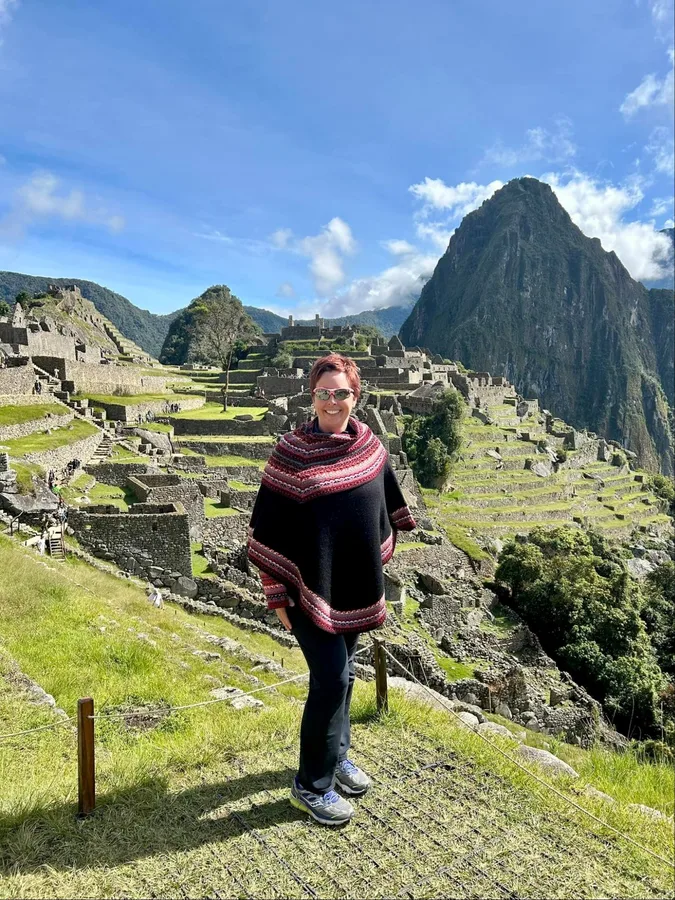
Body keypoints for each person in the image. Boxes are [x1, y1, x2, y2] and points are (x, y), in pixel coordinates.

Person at [248, 354, 416, 826]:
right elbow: (267, 529)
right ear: (312, 396)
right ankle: (312, 784)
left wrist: (374, 561)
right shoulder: (291, 453)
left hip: (353, 588)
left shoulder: (370, 448)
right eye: (323, 392)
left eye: (341, 392)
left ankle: (337, 756)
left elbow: (384, 511)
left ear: (355, 396)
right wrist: (276, 592)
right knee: (331, 681)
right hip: (306, 592)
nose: (332, 401)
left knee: (347, 675)